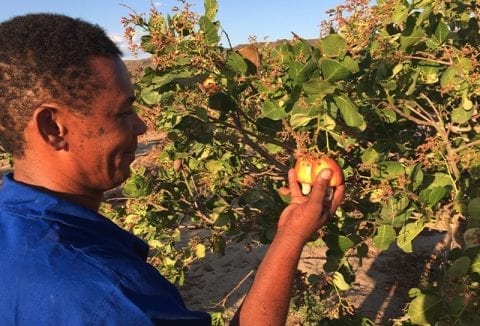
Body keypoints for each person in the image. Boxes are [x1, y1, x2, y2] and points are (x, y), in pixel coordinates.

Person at [0, 14, 345, 325]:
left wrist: (287, 231)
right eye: (123, 112)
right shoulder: (107, 298)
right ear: (53, 127)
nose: (141, 127)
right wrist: (293, 238)